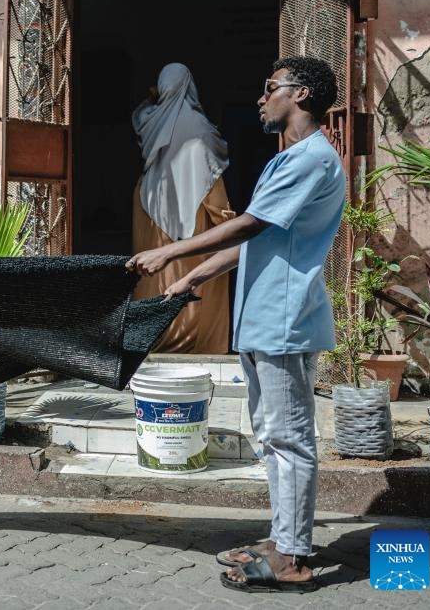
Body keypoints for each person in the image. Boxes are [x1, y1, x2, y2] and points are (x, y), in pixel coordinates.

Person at [127, 57, 345, 594]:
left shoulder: (312, 159)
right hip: (263, 316)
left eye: (270, 88)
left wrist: (172, 252)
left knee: (289, 437)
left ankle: (292, 557)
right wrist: (191, 275)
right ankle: (282, 537)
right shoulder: (288, 160)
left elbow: (249, 223)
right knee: (272, 434)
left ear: (302, 95)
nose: (261, 98)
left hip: (283, 318)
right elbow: (257, 239)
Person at [131, 62, 233, 353]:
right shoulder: (198, 127)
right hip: (195, 213)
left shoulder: (150, 121)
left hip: (149, 207)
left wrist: (154, 97)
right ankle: (197, 346)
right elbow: (209, 174)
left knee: (153, 275)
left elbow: (139, 113)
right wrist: (231, 222)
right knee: (199, 278)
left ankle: (153, 338)